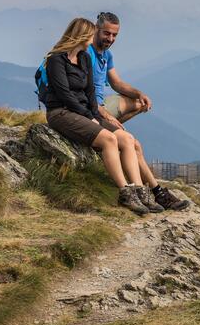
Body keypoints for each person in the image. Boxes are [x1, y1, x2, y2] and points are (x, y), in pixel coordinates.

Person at [39, 18, 161, 215]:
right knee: (109, 139)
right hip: (61, 112)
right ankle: (125, 192)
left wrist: (97, 114)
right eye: (90, 34)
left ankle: (141, 192)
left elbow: (90, 93)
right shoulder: (56, 60)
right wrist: (90, 116)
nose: (92, 39)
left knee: (127, 139)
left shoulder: (84, 59)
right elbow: (65, 95)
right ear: (81, 35)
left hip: (85, 112)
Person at [89, 12, 189, 211]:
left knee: (139, 105)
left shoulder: (106, 55)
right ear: (96, 29)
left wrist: (139, 93)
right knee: (133, 144)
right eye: (106, 33)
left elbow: (116, 83)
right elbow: (82, 93)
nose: (110, 39)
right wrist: (103, 114)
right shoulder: (86, 53)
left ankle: (154, 191)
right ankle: (156, 191)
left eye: (114, 35)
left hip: (101, 106)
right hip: (92, 108)